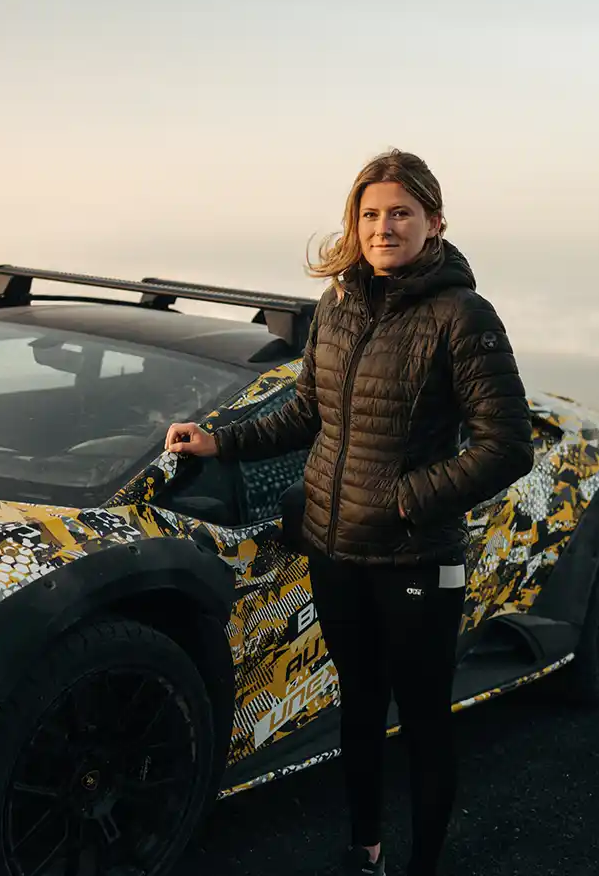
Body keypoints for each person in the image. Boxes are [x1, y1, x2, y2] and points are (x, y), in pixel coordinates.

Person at [165, 149, 534, 876]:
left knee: (423, 720)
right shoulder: (340, 304)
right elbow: (308, 412)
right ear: (354, 223)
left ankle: (421, 866)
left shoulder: (463, 316)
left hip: (416, 559)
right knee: (359, 705)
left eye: (400, 213)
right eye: (370, 214)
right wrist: (220, 440)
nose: (383, 227)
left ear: (434, 221)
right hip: (335, 553)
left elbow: (507, 446)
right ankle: (365, 852)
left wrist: (405, 500)